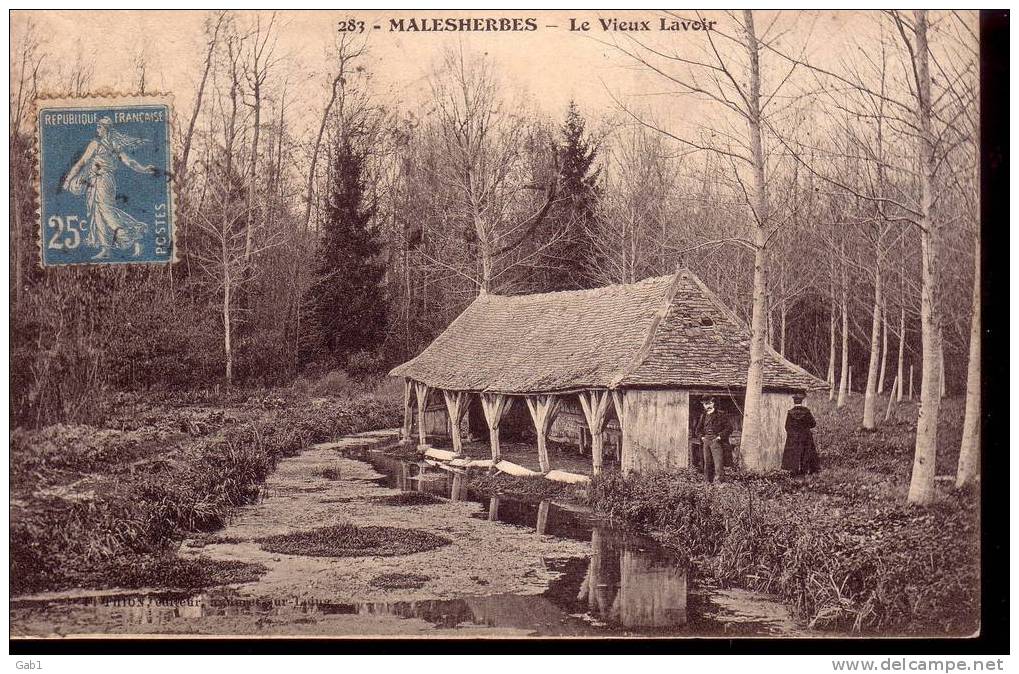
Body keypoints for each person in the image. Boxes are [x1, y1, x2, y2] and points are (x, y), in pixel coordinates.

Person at [62, 117, 158, 260]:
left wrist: (68, 179)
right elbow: (128, 161)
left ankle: (131, 236)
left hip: (102, 181)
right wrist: (143, 169)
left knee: (105, 210)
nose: (97, 130)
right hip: (97, 182)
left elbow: (82, 162)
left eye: (99, 127)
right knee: (98, 213)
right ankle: (107, 248)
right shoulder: (113, 145)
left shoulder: (98, 144)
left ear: (106, 129)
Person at [693, 397, 732, 483]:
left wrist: (719, 437)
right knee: (707, 462)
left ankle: (718, 482)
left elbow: (729, 428)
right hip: (706, 441)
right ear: (703, 405)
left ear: (713, 403)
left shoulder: (721, 414)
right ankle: (707, 482)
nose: (708, 406)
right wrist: (702, 438)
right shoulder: (703, 416)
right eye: (706, 404)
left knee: (718, 462)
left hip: (716, 441)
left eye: (710, 403)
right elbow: (697, 430)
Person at [781, 394, 820, 475]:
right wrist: (805, 428)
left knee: (794, 453)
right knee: (806, 452)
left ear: (794, 402)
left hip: (794, 437)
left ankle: (794, 472)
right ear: (801, 401)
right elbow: (813, 424)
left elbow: (787, 426)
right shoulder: (807, 411)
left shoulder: (790, 412)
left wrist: (793, 433)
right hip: (806, 436)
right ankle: (805, 471)